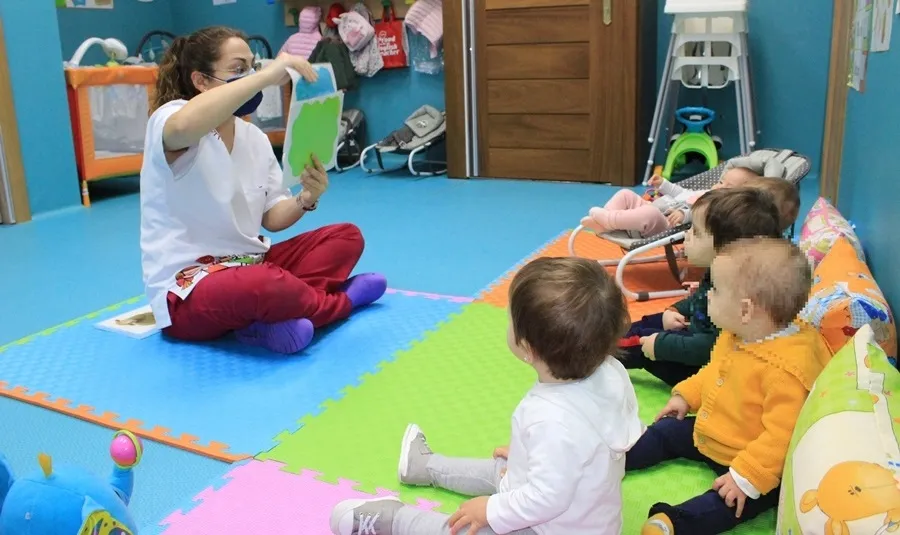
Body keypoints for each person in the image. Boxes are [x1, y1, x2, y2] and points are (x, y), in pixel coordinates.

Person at [328, 257, 644, 535]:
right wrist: (536, 453)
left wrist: (491, 510)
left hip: (548, 528)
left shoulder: (551, 418)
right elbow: (591, 441)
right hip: (588, 515)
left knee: (470, 528)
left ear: (528, 349)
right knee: (500, 469)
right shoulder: (610, 371)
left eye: (510, 319)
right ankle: (425, 466)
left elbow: (547, 498)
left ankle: (393, 521)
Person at [140, 26, 386, 354]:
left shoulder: (252, 137)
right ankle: (341, 304)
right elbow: (184, 127)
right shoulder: (170, 118)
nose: (253, 75)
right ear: (201, 81)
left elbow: (272, 216)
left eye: (254, 66)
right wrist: (265, 76)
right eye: (238, 69)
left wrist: (306, 198)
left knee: (346, 236)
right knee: (263, 284)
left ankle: (262, 323)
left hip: (250, 263)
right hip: (187, 289)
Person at [629, 237, 832, 535]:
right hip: (716, 431)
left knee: (732, 502)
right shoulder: (738, 333)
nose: (705, 294)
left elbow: (782, 436)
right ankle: (615, 458)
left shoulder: (787, 369)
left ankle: (674, 523)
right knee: (667, 430)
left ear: (746, 310)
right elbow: (713, 371)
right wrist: (686, 395)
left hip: (752, 459)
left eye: (715, 290)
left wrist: (745, 475)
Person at [620, 188, 782, 386]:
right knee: (655, 320)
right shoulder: (720, 272)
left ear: (724, 247)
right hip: (693, 333)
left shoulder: (739, 295)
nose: (686, 235)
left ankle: (598, 352)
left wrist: (662, 345)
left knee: (643, 340)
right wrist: (676, 309)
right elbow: (699, 299)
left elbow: (711, 347)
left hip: (702, 369)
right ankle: (609, 335)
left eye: (695, 232)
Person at [580, 165, 760, 237]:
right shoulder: (706, 191)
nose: (720, 187)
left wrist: (684, 214)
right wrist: (664, 184)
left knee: (649, 213)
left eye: (728, 187)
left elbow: (701, 214)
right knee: (626, 194)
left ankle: (609, 220)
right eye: (721, 182)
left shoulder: (718, 205)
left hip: (664, 224)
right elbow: (681, 193)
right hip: (653, 208)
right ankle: (606, 222)